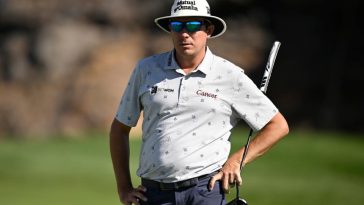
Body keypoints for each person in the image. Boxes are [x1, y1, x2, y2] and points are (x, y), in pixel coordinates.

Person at [109, 0, 289, 204]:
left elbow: (277, 126)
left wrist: (236, 161)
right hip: (154, 193)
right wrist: (123, 188)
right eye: (177, 26)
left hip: (206, 190)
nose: (184, 33)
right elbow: (119, 129)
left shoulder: (229, 75)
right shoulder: (146, 69)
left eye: (193, 26)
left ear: (209, 30)